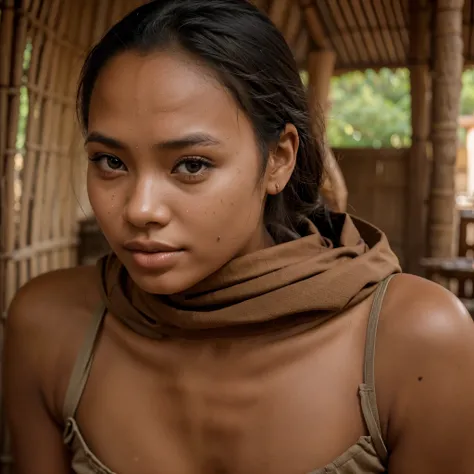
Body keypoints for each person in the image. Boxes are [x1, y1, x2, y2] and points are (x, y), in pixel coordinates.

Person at [4, 1, 474, 473]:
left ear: (279, 159)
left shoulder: (413, 344)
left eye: (191, 165)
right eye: (111, 161)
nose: (140, 209)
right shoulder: (51, 329)